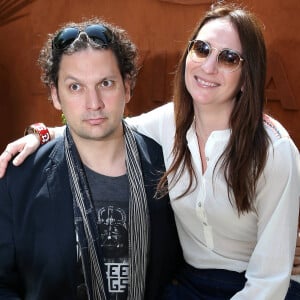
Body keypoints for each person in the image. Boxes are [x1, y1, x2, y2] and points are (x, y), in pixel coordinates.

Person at [1, 2, 300, 299]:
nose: (209, 66)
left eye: (229, 58)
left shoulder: (275, 150)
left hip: (256, 287)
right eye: (202, 49)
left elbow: (269, 280)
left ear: (248, 76)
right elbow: (103, 123)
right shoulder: (169, 123)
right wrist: (41, 133)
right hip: (189, 287)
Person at [0, 18, 183, 300]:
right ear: (55, 95)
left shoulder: (167, 168)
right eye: (75, 87)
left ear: (127, 87)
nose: (93, 103)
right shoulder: (20, 177)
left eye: (106, 83)